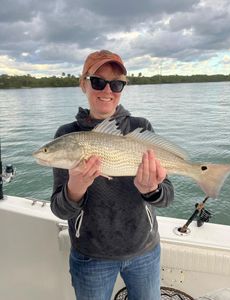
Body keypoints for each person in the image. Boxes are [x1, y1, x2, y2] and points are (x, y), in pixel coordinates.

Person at [50, 49, 174, 300]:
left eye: (116, 84)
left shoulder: (141, 127)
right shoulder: (68, 136)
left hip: (145, 251)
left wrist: (151, 190)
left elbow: (167, 197)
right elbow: (60, 210)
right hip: (91, 256)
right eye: (98, 81)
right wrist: (75, 190)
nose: (107, 91)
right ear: (83, 84)